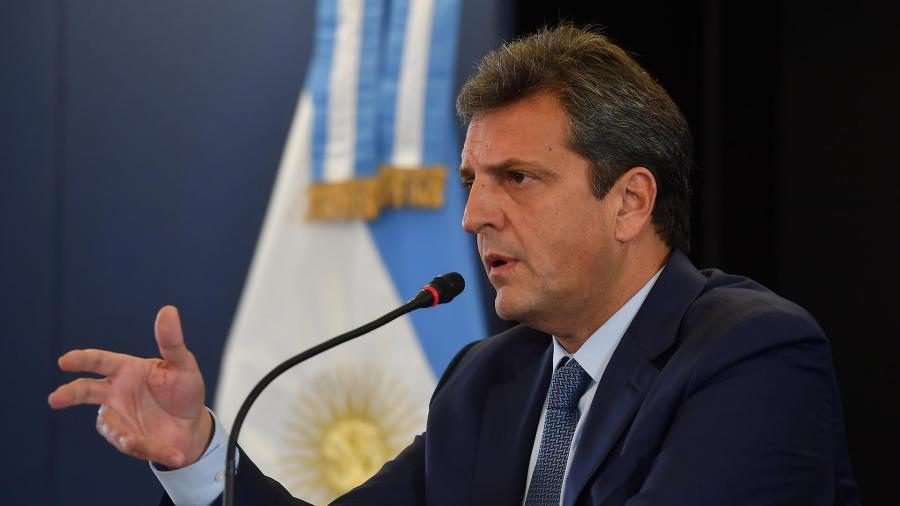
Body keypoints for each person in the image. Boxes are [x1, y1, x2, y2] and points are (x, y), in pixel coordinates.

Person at [48, 24, 859, 505]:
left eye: (518, 178)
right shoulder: (487, 381)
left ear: (630, 202)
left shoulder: (752, 357)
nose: (473, 216)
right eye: (473, 182)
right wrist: (195, 455)